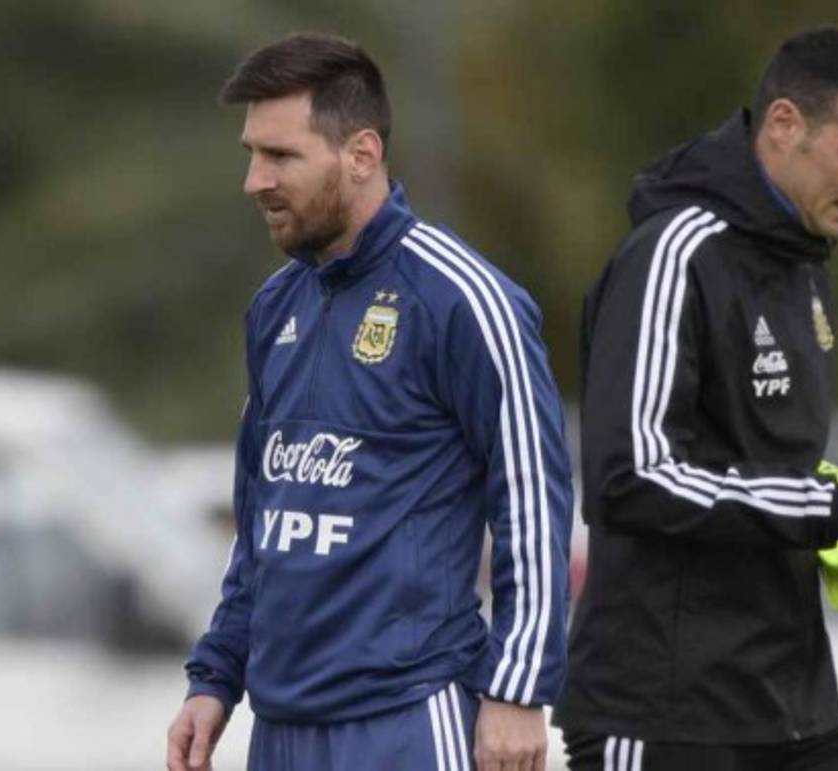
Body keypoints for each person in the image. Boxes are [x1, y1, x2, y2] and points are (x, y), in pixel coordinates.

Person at [165, 33, 573, 771]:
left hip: (406, 718)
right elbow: (262, 523)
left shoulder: (462, 298)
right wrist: (217, 672)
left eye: (280, 156)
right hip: (280, 728)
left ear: (361, 154)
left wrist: (518, 688)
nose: (255, 180)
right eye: (252, 154)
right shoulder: (274, 308)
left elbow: (532, 496)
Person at [552, 26, 838, 771]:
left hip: (793, 706)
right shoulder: (673, 254)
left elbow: (758, 463)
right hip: (664, 713)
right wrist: (831, 509)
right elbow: (630, 476)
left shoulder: (804, 263)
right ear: (784, 125)